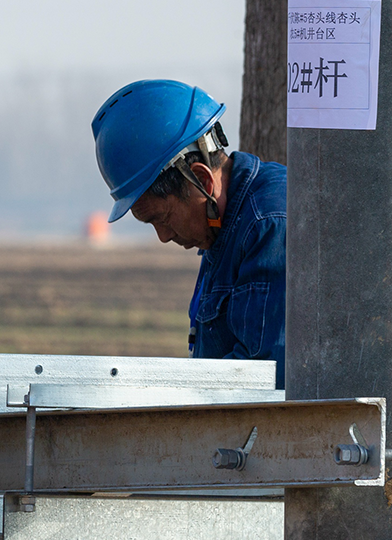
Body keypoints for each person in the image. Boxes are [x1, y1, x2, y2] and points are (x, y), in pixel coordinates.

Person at [91, 80, 285, 382]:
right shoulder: (220, 227)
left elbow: (260, 379)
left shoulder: (268, 226)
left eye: (163, 218)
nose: (164, 236)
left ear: (202, 181)